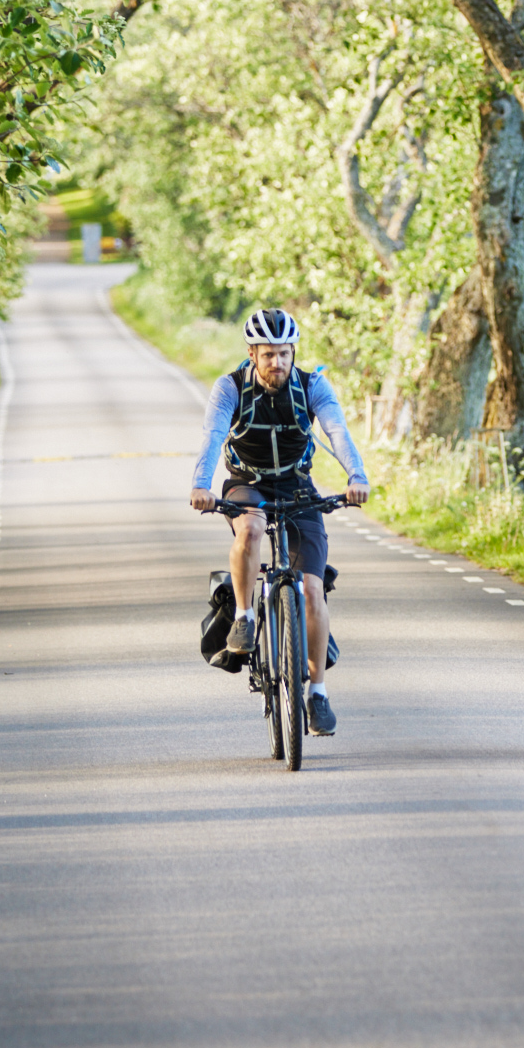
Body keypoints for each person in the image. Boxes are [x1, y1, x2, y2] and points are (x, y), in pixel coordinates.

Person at [189, 308, 371, 736]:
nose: (277, 363)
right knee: (250, 529)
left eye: (284, 354)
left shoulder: (313, 385)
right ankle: (246, 617)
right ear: (252, 353)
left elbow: (337, 431)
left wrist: (356, 476)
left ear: (294, 353)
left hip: (296, 485)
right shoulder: (230, 388)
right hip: (246, 483)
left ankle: (318, 693)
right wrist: (200, 484)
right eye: (268, 354)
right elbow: (213, 436)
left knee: (311, 589)